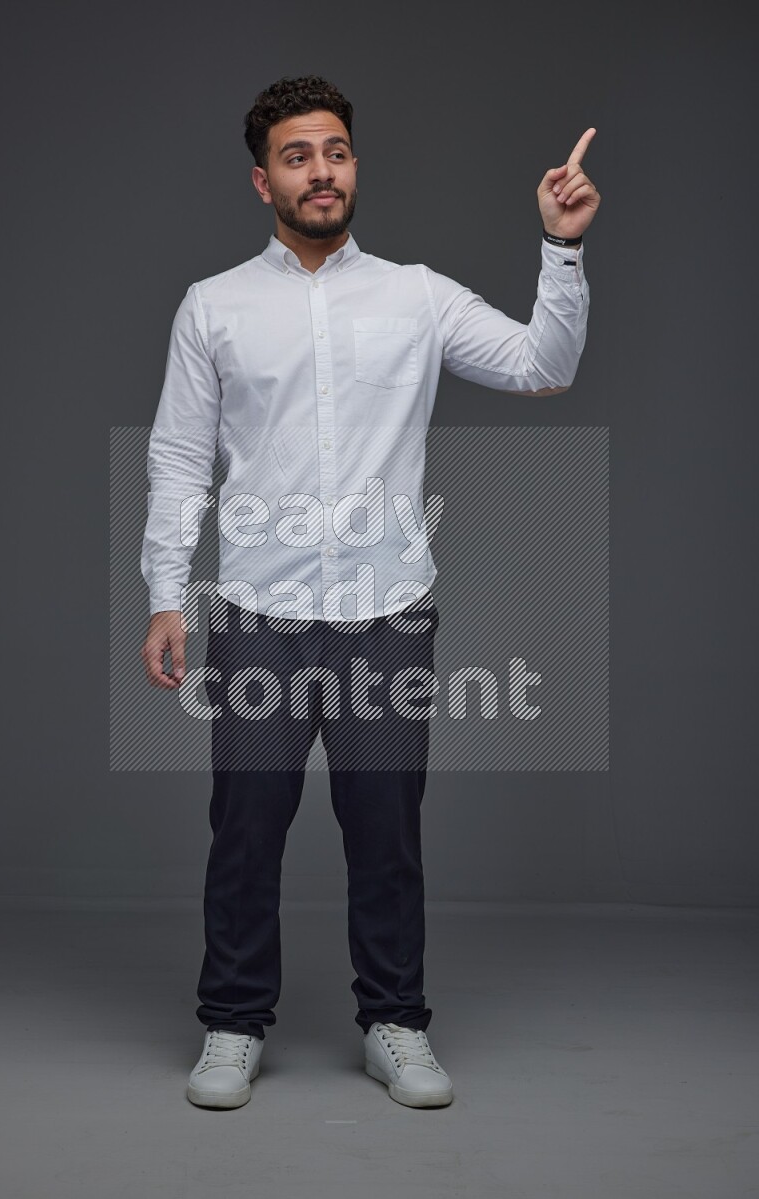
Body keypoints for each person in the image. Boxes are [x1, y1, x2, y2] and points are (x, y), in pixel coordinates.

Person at [139, 75, 601, 1110]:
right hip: (258, 613)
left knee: (386, 829)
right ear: (263, 180)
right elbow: (177, 458)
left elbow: (542, 366)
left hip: (386, 613)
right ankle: (231, 1021)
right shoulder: (214, 306)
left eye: (336, 152)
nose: (321, 171)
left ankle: (395, 1021)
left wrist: (560, 248)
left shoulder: (416, 295)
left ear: (354, 167)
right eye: (297, 156)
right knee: (245, 828)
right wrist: (166, 594)